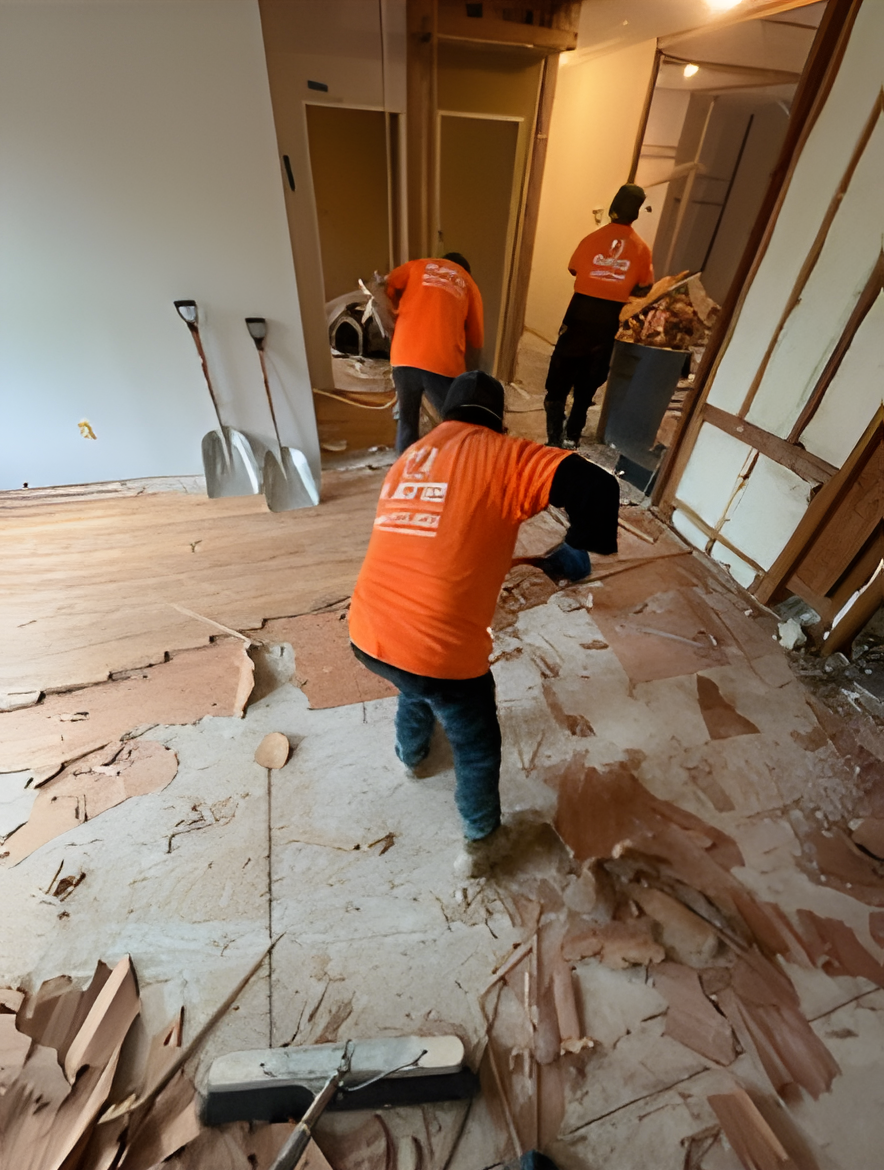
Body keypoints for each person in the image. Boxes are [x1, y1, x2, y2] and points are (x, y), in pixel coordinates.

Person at [348, 370, 620, 879]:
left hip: (367, 631)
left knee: (414, 679)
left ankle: (411, 756)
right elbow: (599, 487)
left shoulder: (411, 458)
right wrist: (577, 548)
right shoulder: (507, 455)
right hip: (436, 653)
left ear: (447, 413)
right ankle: (482, 841)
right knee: (476, 742)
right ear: (499, 420)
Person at [544, 184, 654, 449]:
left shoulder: (591, 239)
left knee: (559, 379)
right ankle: (572, 436)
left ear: (614, 207)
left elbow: (573, 268)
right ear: (637, 213)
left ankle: (553, 438)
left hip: (579, 315)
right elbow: (645, 287)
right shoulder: (641, 249)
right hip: (608, 321)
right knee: (588, 382)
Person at [385, 253, 484, 453]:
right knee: (456, 421)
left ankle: (404, 472)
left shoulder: (417, 266)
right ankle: (455, 465)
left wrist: (397, 308)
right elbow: (476, 338)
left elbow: (386, 285)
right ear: (466, 270)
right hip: (441, 364)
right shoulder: (468, 283)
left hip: (403, 358)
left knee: (407, 419)